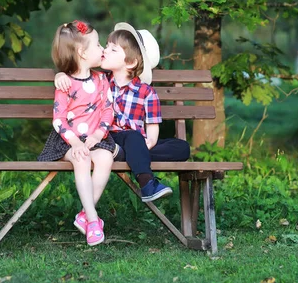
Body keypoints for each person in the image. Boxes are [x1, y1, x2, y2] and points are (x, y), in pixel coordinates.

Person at [56, 22, 190, 203]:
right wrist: (60, 75)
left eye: (113, 49)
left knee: (182, 148)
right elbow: (77, 72)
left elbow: (152, 129)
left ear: (131, 62)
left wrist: (148, 143)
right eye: (106, 45)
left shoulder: (147, 92)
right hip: (106, 137)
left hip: (134, 142)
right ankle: (147, 183)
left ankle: (133, 154)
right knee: (133, 137)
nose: (104, 49)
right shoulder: (100, 80)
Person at [38, 20, 114, 246]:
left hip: (95, 140)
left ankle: (84, 215)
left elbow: (108, 111)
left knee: (106, 157)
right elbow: (59, 120)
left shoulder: (101, 80)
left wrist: (98, 136)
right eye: (98, 45)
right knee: (81, 159)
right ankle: (92, 221)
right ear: (81, 52)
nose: (102, 49)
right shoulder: (65, 83)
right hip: (67, 142)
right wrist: (75, 143)